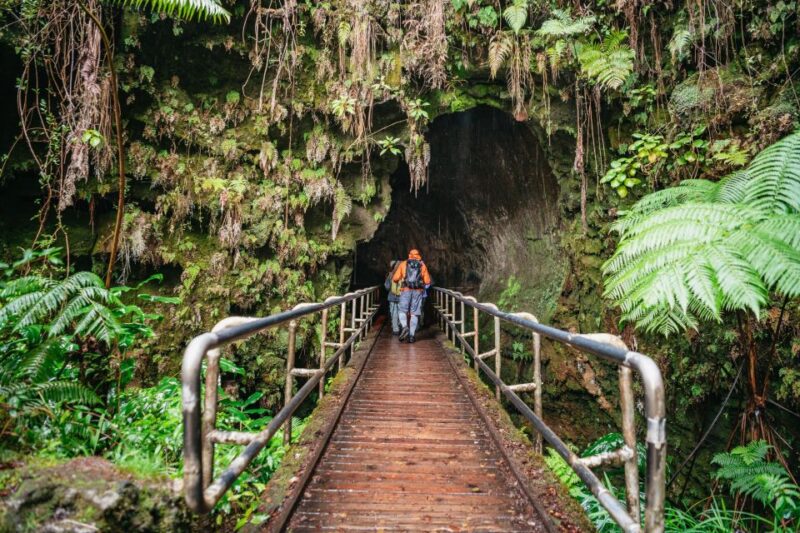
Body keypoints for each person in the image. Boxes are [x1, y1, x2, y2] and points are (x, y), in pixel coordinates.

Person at [392, 249, 432, 343]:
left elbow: (395, 278)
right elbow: (427, 281)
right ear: (418, 255)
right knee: (414, 313)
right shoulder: (422, 265)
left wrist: (399, 280)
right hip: (418, 292)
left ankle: (405, 326)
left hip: (406, 290)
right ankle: (411, 336)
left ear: (409, 255)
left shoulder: (404, 264)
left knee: (402, 310)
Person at [384, 260, 402, 335]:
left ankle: (395, 329)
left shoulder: (391, 275)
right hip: (402, 297)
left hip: (392, 296)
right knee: (401, 312)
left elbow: (387, 286)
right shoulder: (403, 274)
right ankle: (400, 324)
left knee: (393, 312)